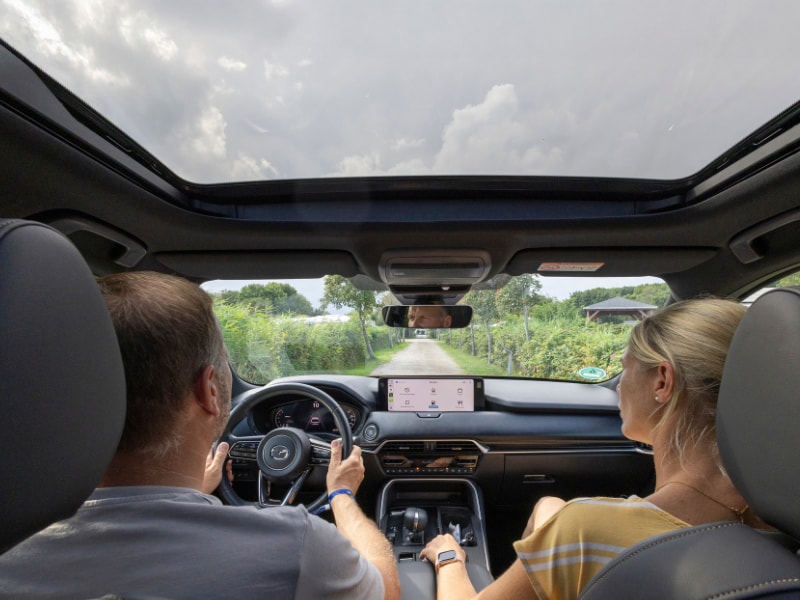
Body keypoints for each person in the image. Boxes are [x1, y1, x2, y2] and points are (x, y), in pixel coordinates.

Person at [0, 271, 400, 600]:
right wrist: (342, 494)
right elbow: (385, 592)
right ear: (209, 389)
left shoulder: (12, 548)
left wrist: (198, 489)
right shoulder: (299, 546)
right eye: (225, 363)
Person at [420, 298, 769, 600]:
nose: (617, 388)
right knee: (550, 505)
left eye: (624, 369)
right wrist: (554, 516)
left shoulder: (585, 532)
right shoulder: (777, 524)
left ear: (662, 382)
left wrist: (450, 557)